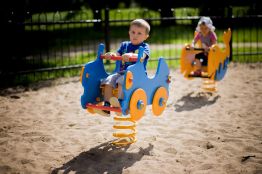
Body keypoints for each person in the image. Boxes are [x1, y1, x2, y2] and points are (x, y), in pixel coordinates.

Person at [100, 19, 150, 116]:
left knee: (121, 80)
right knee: (108, 80)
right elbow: (117, 55)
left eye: (139, 33)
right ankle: (107, 105)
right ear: (129, 33)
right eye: (133, 32)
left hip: (136, 74)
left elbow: (142, 57)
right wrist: (111, 55)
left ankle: (121, 103)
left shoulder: (144, 47)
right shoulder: (125, 45)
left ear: (146, 36)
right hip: (121, 72)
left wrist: (131, 55)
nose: (135, 35)